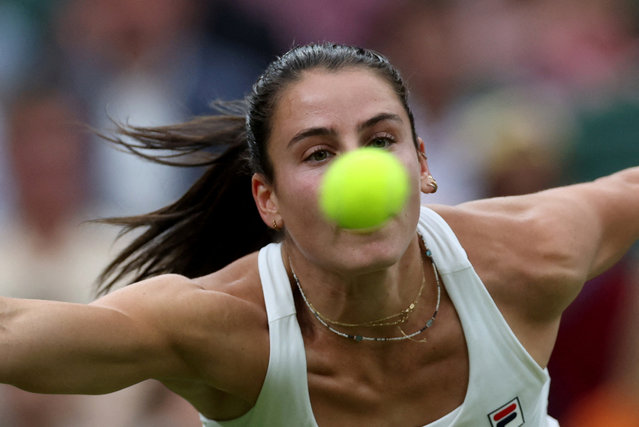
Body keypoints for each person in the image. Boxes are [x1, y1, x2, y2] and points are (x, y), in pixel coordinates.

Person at [0, 43, 637, 426]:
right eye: (317, 154)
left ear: (423, 162)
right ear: (267, 199)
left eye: (382, 140)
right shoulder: (225, 329)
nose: (358, 170)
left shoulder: (528, 256)